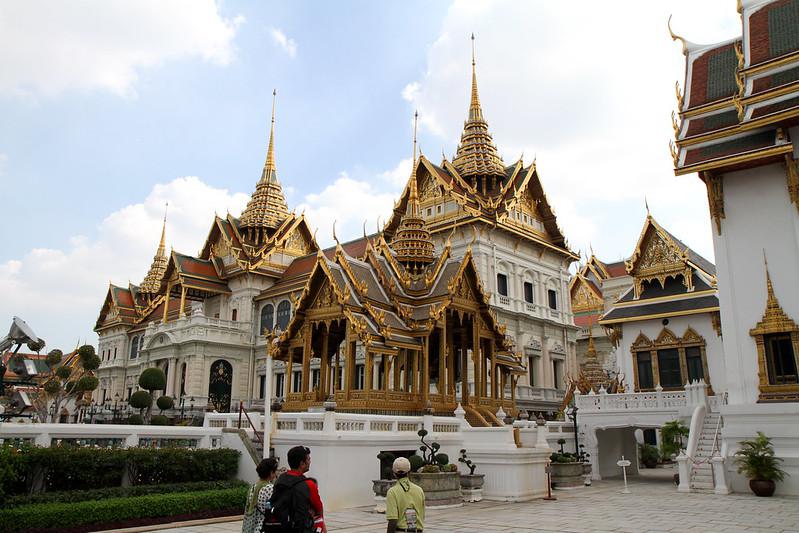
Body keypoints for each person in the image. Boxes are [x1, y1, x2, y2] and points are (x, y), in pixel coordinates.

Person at [268, 445, 326, 533]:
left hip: (281, 527)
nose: (310, 462)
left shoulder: (280, 479)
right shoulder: (309, 484)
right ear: (302, 464)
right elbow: (319, 509)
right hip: (301, 528)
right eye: (308, 459)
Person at [385, 457, 425, 533]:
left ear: (394, 473)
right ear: (409, 472)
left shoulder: (392, 492)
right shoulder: (419, 490)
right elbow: (422, 516)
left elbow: (393, 520)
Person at [241, 457, 279, 533]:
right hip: (265, 527)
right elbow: (273, 508)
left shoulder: (252, 487)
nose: (276, 474)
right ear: (271, 473)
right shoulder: (270, 488)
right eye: (275, 471)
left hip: (253, 527)